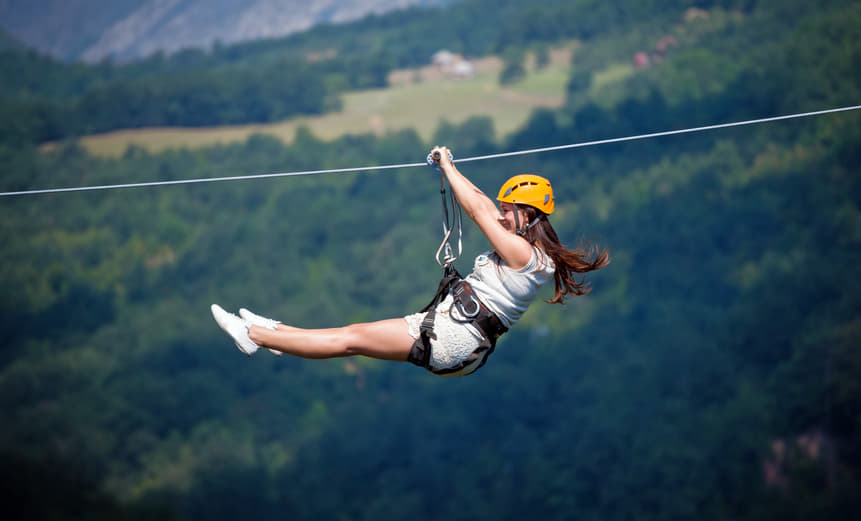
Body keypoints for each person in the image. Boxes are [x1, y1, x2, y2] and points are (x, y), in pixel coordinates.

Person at [211, 146, 609, 377]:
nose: (503, 215)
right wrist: (450, 166)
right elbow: (485, 205)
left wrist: (447, 167)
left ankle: (255, 336)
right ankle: (278, 334)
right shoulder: (529, 251)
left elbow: (479, 214)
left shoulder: (527, 257)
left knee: (349, 339)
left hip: (453, 337)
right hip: (453, 329)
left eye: (510, 210)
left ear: (530, 214)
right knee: (351, 336)